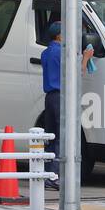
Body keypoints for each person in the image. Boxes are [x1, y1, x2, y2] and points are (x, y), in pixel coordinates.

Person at [40, 20, 94, 190]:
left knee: (51, 136)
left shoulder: (46, 52)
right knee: (62, 137)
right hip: (62, 97)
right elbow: (77, 73)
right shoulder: (62, 53)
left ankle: (46, 173)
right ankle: (54, 177)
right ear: (60, 35)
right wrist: (85, 58)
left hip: (49, 97)